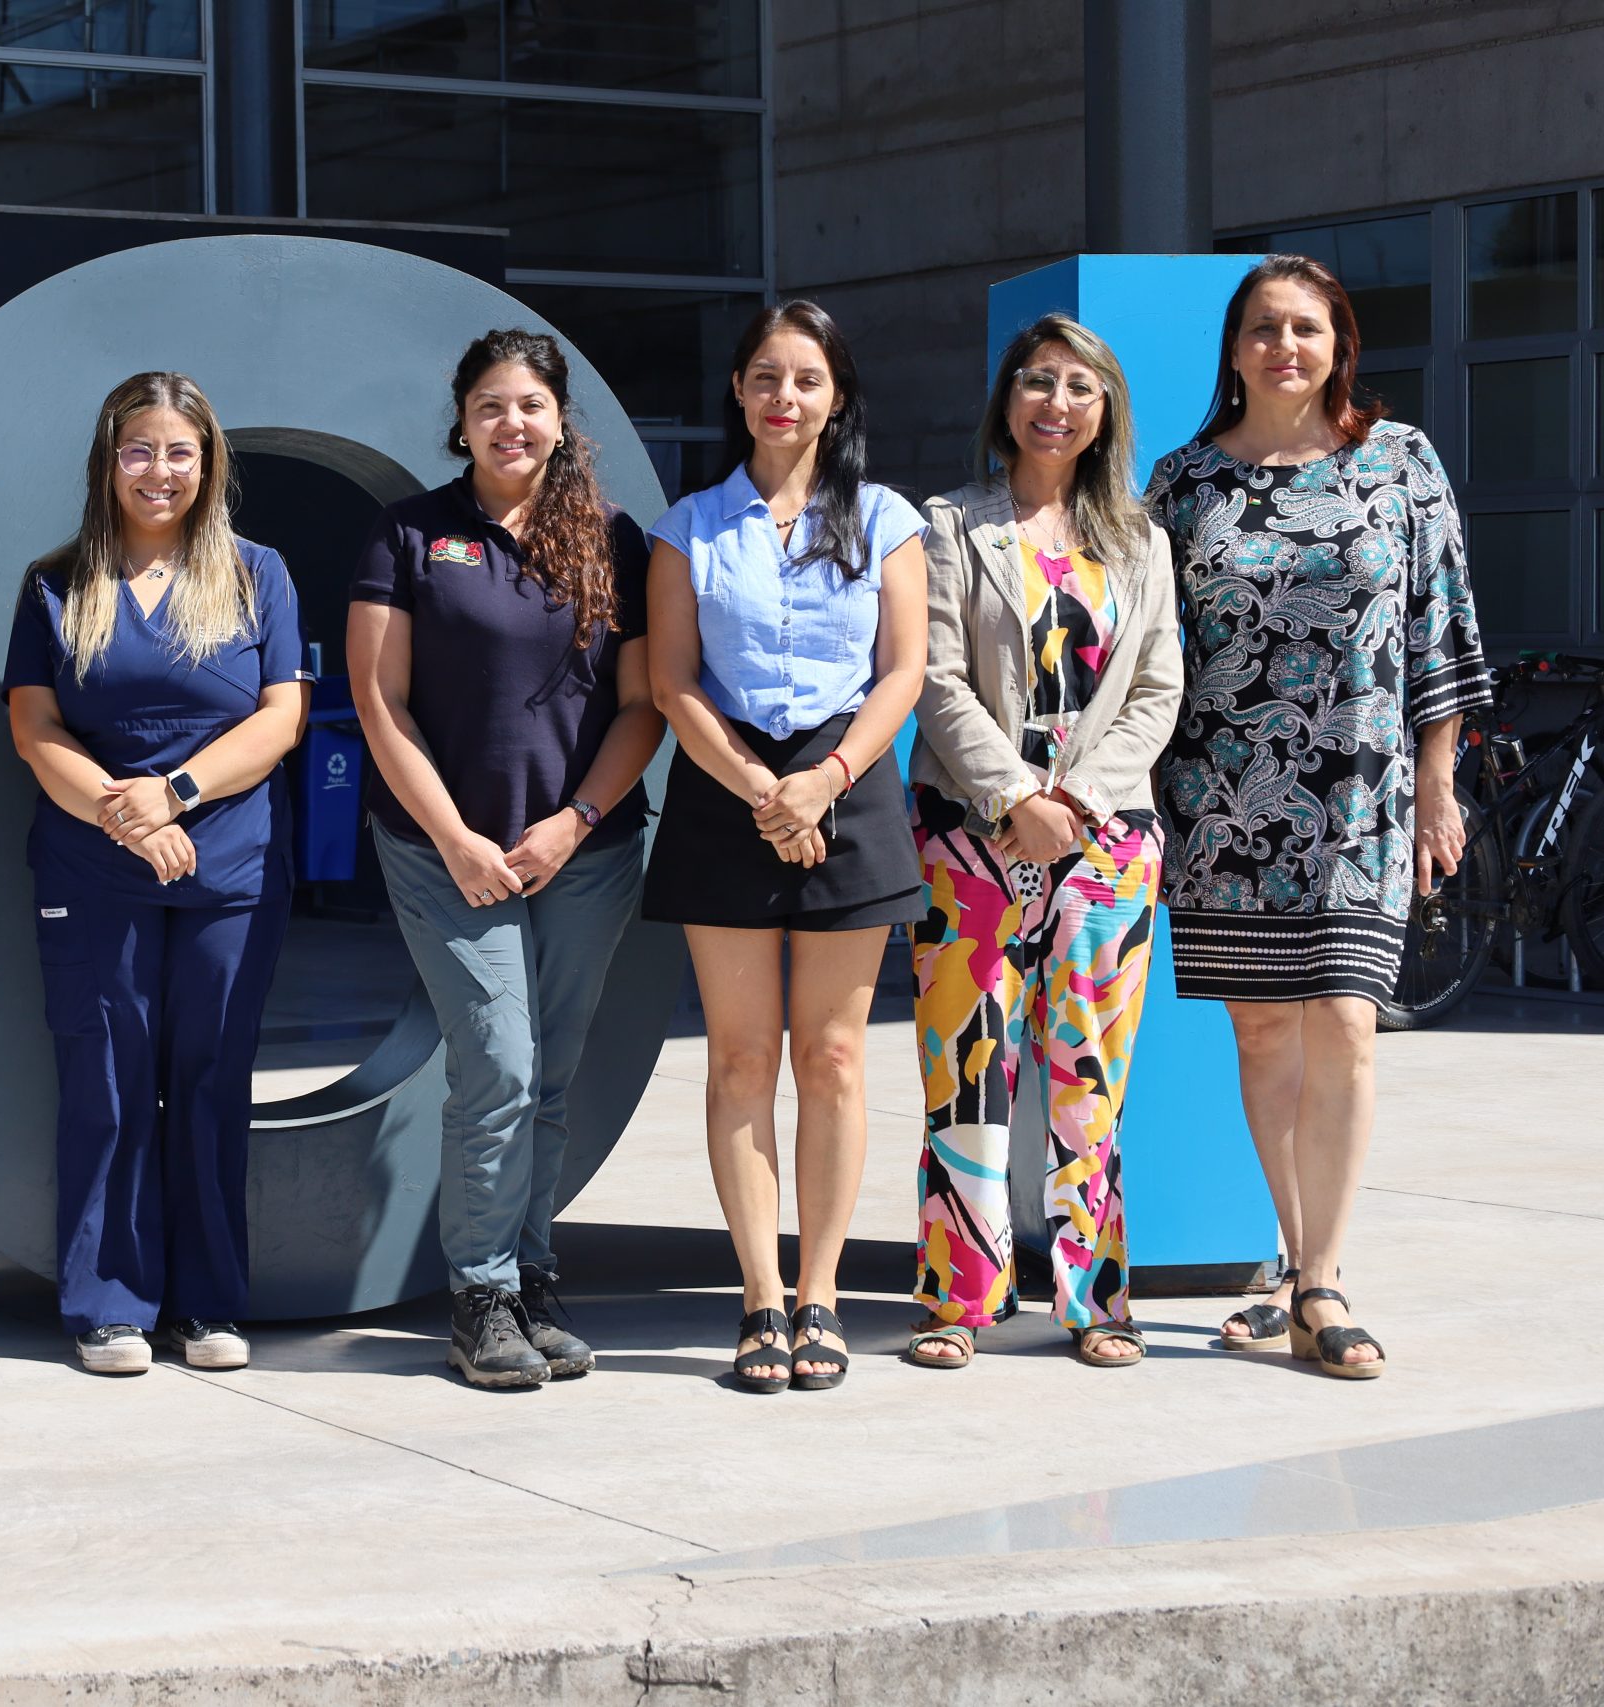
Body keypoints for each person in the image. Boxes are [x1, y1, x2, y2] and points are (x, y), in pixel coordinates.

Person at [1146, 255, 1488, 1379]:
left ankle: (1325, 1279)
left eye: (1305, 328)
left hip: (1359, 793)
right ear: (1233, 349)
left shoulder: (1397, 464)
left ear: (1339, 344)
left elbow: (1440, 627)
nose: (1283, 346)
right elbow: (1151, 652)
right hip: (1221, 800)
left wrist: (1437, 782)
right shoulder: (1181, 482)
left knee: (1344, 1021)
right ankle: (1294, 1265)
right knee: (1262, 1035)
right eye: (1262, 329)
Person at [347, 328, 665, 1390]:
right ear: (462, 416)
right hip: (446, 852)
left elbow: (641, 708)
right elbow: (379, 705)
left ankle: (531, 1277)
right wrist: (455, 838)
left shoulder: (612, 542)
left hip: (582, 849)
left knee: (553, 1075)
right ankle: (477, 1295)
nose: (510, 424)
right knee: (500, 1066)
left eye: (528, 404)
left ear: (559, 417)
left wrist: (572, 821)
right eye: (490, 405)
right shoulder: (407, 534)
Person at [643, 300, 928, 1394]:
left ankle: (822, 1298)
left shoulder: (887, 519)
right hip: (728, 784)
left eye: (805, 379)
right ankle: (759, 1298)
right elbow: (670, 681)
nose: (783, 398)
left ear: (836, 396)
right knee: (742, 1058)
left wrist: (823, 779)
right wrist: (764, 785)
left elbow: (901, 671)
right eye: (764, 378)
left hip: (846, 783)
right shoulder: (688, 527)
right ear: (737, 392)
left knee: (835, 1057)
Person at [4, 372, 309, 1375]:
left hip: (228, 865)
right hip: (94, 866)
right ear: (108, 460)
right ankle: (109, 1305)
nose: (160, 471)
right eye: (140, 450)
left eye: (181, 451)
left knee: (210, 1079)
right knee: (107, 1082)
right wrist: (118, 812)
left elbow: (280, 718)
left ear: (208, 463)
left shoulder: (259, 573)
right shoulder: (56, 582)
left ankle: (208, 1304)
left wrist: (171, 795)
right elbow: (32, 724)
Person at [902, 314, 1182, 1372]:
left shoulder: (1140, 541)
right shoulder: (948, 527)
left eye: (1077, 386)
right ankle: (957, 1300)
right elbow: (931, 678)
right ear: (1005, 401)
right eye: (1034, 382)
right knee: (966, 1072)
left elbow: (1158, 691)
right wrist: (1014, 796)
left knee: (1087, 1078)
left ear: (1103, 408)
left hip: (1108, 844)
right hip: (970, 840)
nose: (1053, 404)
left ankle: (1093, 1299)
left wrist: (1080, 802)